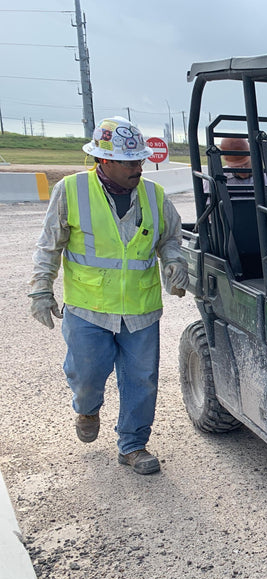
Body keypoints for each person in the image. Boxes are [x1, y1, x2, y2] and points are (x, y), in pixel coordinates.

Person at [28, 116, 189, 475]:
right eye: (130, 161)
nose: (138, 167)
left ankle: (133, 445)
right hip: (89, 309)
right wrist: (41, 289)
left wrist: (175, 262)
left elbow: (169, 238)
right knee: (87, 375)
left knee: (141, 380)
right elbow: (48, 246)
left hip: (141, 309)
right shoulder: (71, 191)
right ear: (105, 161)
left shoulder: (154, 195)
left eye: (140, 160)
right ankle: (87, 408)